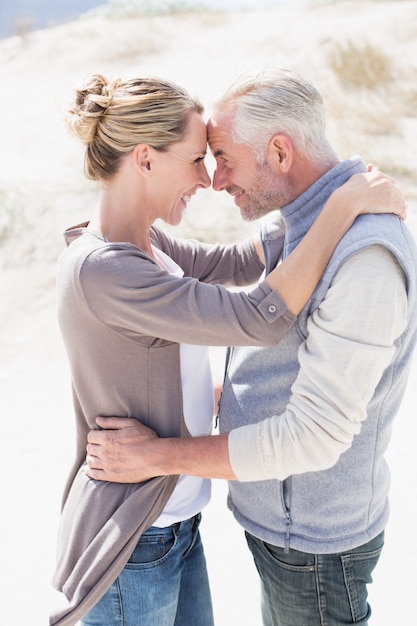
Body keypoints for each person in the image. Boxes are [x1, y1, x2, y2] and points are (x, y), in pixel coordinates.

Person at [85, 69, 417, 626]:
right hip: (283, 530)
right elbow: (236, 277)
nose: (214, 180)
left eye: (222, 158)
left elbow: (311, 437)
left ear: (280, 152)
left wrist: (157, 454)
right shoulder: (305, 226)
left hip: (314, 546)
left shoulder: (363, 258)